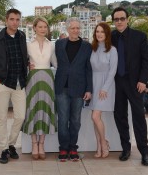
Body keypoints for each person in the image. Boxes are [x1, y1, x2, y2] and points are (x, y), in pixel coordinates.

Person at [0, 8, 28, 164]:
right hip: (2, 83)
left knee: (20, 116)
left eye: (18, 19)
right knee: (2, 118)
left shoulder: (22, 36)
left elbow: (23, 56)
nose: (15, 22)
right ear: (6, 20)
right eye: (12, 19)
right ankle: (4, 149)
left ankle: (11, 144)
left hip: (19, 84)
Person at [111, 7, 148, 166]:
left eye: (122, 18)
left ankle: (145, 152)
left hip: (135, 84)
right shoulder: (111, 37)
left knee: (139, 117)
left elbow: (146, 61)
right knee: (120, 117)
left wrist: (143, 80)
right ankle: (126, 149)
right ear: (114, 21)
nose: (119, 21)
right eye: (116, 19)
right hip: (117, 84)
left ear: (127, 19)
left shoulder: (140, 36)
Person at [54, 17, 92, 162]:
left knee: (75, 120)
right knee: (62, 120)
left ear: (80, 29)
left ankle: (73, 147)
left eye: (77, 28)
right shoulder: (59, 44)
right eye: (72, 28)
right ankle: (63, 148)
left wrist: (89, 89)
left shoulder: (87, 47)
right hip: (61, 87)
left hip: (79, 88)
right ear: (67, 29)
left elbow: (89, 69)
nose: (75, 30)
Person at [22, 17, 57, 160]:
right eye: (40, 27)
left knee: (45, 109)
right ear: (34, 28)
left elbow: (56, 63)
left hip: (48, 79)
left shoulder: (52, 45)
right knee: (32, 109)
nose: (43, 29)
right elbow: (23, 63)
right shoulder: (27, 45)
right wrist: (26, 66)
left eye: (45, 27)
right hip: (33, 79)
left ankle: (41, 144)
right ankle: (33, 144)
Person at [87, 22, 118, 158]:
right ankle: (99, 146)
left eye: (102, 32)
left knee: (95, 116)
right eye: (97, 31)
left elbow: (113, 71)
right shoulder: (92, 49)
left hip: (106, 86)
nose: (99, 34)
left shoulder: (112, 50)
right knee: (95, 117)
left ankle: (104, 143)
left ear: (107, 34)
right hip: (93, 85)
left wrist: (105, 88)